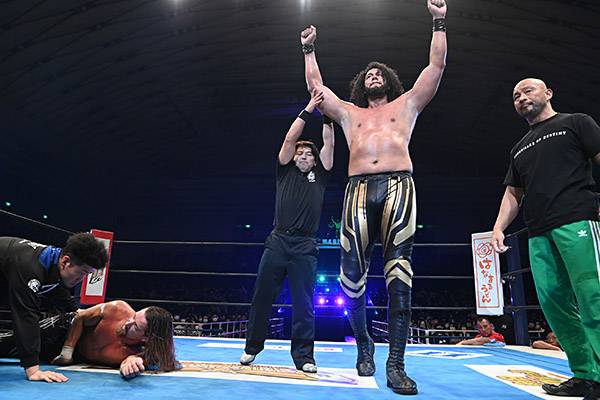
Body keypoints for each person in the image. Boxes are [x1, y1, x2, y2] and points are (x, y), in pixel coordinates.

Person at [300, 0, 447, 394]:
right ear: (361, 84)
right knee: (350, 277)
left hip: (400, 185)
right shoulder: (351, 113)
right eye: (369, 74)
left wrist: (438, 22)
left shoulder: (407, 104)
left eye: (380, 73)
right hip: (358, 189)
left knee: (400, 273)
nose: (374, 75)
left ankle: (396, 363)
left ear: (389, 81)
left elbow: (435, 68)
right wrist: (309, 49)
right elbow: (317, 90)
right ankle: (363, 342)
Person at [491, 78, 600, 399]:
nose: (521, 97)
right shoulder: (519, 148)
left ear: (548, 93)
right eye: (516, 96)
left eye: (528, 91)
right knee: (554, 303)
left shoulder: (575, 123)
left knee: (593, 296)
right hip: (538, 231)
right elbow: (513, 193)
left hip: (576, 219)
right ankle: (585, 374)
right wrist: (498, 227)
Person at [239, 89, 334, 373]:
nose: (303, 155)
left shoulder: (321, 175)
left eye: (309, 154)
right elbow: (290, 139)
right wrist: (309, 108)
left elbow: (329, 143)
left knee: (304, 303)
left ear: (315, 160)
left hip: (305, 246)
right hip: (278, 240)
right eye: (300, 153)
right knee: (262, 296)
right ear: (293, 158)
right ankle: (251, 348)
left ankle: (304, 357)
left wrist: (327, 115)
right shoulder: (285, 170)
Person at [0, 233, 108, 382]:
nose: (81, 280)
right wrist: (33, 369)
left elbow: (58, 290)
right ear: (65, 262)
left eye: (87, 275)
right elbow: (25, 315)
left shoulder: (53, 261)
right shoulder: (30, 268)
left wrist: (77, 312)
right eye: (82, 273)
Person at [52, 300, 179, 379]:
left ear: (146, 338)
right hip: (66, 330)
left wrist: (132, 359)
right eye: (134, 316)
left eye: (135, 326)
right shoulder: (116, 309)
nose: (128, 323)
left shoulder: (142, 353)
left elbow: (166, 361)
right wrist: (67, 352)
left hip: (78, 357)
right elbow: (80, 317)